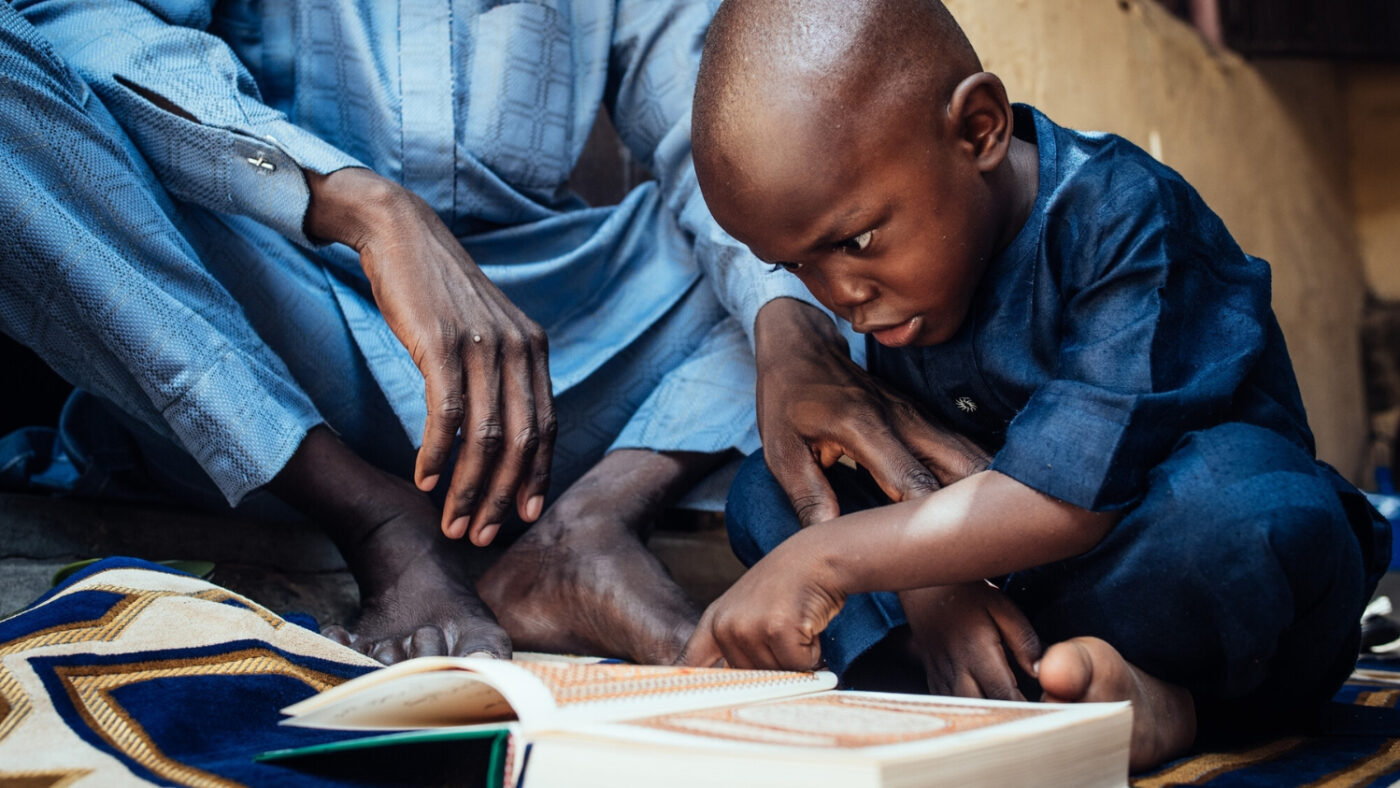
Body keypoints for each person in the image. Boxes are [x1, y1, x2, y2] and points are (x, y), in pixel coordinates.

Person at [2, 0, 954, 666]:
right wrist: (361, 205)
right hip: (268, 320)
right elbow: (84, 30)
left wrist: (793, 333)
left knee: (811, 220)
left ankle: (589, 526)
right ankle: (378, 519)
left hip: (557, 354)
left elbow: (707, 105)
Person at [679, 0, 1391, 771]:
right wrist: (936, 597)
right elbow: (898, 483)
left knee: (1250, 511)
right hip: (998, 588)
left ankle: (1174, 707)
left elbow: (1066, 502)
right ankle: (967, 684)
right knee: (769, 489)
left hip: (1157, 568)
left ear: (979, 128)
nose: (839, 292)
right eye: (798, 267)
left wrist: (826, 561)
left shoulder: (1122, 213)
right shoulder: (902, 275)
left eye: (854, 242)